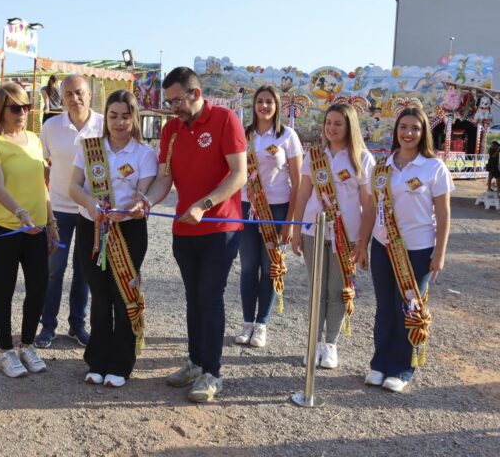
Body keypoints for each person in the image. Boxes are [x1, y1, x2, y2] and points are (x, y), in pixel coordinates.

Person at [143, 67, 247, 403]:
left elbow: (239, 174)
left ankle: (212, 373)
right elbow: (164, 178)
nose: (173, 107)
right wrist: (146, 201)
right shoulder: (171, 129)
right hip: (184, 228)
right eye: (169, 101)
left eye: (177, 100)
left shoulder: (225, 120)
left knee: (210, 295)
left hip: (220, 227)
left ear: (196, 94)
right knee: (193, 297)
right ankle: (195, 362)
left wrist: (205, 204)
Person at [356, 105, 453, 393]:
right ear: (396, 131)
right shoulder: (383, 166)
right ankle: (380, 363)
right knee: (384, 307)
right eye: (403, 127)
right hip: (383, 245)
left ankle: (402, 368)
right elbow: (371, 208)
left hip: (418, 249)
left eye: (415, 128)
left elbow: (444, 213)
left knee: (408, 309)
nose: (408, 133)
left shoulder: (433, 167)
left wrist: (440, 253)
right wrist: (362, 245)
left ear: (423, 133)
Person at [69, 90, 157, 388]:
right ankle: (97, 360)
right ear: (105, 118)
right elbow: (74, 187)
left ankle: (121, 362)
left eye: (125, 116)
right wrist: (91, 205)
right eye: (113, 116)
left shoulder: (144, 154)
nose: (119, 122)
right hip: (92, 228)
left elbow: (142, 193)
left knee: (123, 296)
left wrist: (135, 207)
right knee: (100, 295)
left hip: (128, 230)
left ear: (135, 118)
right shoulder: (90, 147)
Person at [0, 81, 59, 378]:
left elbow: (43, 185)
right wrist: (21, 213)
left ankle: (27, 344)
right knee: (5, 287)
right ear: (1, 110)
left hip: (36, 228)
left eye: (26, 106)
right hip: (4, 227)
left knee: (39, 286)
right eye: (16, 107)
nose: (22, 112)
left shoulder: (35, 140)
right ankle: (5, 351)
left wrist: (51, 222)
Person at [292, 102, 375, 368]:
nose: (332, 128)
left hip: (347, 235)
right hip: (313, 232)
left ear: (350, 126)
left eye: (338, 123)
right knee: (317, 289)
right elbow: (303, 194)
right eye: (328, 123)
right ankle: (313, 343)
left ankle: (331, 345)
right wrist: (295, 230)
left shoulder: (362, 158)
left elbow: (368, 202)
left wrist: (363, 241)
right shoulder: (315, 156)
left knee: (337, 290)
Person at [37, 74, 104, 348]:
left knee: (84, 269)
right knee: (54, 268)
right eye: (68, 94)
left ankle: (78, 324)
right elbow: (40, 160)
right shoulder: (51, 126)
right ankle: (47, 325)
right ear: (60, 98)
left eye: (79, 93)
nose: (74, 99)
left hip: (92, 209)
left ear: (89, 95)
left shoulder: (104, 124)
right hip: (60, 209)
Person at [236, 85, 303, 348]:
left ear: (277, 106)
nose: (264, 106)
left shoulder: (287, 136)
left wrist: (289, 221)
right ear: (254, 105)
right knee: (248, 267)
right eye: (260, 101)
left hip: (276, 210)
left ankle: (262, 323)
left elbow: (297, 182)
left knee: (269, 268)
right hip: (246, 208)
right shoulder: (244, 135)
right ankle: (246, 322)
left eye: (269, 102)